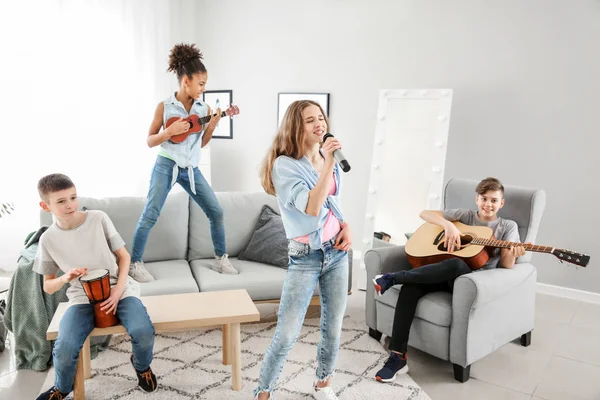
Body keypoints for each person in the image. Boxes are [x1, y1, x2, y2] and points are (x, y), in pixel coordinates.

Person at [372, 177, 526, 382]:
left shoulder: (507, 227)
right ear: (477, 199)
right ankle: (398, 357)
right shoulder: (464, 216)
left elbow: (507, 265)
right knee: (411, 288)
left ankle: (394, 278)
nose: (488, 204)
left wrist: (513, 252)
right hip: (440, 274)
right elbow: (425, 214)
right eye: (484, 199)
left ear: (501, 203)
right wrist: (449, 226)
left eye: (494, 200)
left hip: (468, 283)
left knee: (457, 264)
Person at [254, 100, 351, 400]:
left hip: (336, 254)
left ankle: (324, 384)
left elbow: (332, 204)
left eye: (320, 118)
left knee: (333, 327)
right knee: (286, 334)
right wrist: (329, 163)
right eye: (310, 120)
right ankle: (263, 391)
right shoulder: (284, 165)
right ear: (297, 126)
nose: (319, 124)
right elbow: (311, 207)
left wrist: (346, 225)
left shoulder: (326, 160)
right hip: (305, 257)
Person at [34, 173, 157, 400]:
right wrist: (65, 278)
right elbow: (48, 287)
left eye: (73, 197)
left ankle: (141, 366)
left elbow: (124, 257)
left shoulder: (98, 218)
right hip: (81, 298)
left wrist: (119, 291)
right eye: (61, 201)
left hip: (119, 289)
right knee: (65, 347)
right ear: (45, 205)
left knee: (143, 331)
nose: (70, 205)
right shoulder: (48, 239)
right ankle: (61, 388)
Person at [128, 43, 237, 283]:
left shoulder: (203, 108)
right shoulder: (164, 107)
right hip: (166, 165)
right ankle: (134, 263)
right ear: (185, 81)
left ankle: (221, 259)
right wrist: (169, 132)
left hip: (191, 169)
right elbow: (149, 140)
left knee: (216, 211)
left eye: (205, 84)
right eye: (201, 83)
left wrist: (214, 124)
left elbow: (203, 142)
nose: (203, 88)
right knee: (150, 214)